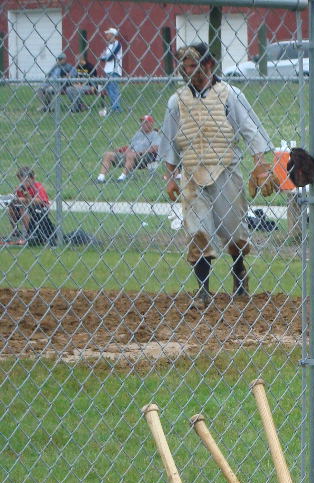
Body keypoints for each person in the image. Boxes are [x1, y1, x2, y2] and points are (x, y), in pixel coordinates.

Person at [158, 42, 274, 307]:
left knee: (234, 231)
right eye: (184, 66)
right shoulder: (177, 101)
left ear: (208, 65)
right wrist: (169, 178)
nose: (185, 71)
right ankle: (202, 291)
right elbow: (170, 142)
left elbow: (250, 129)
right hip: (192, 175)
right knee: (198, 231)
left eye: (191, 65)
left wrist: (260, 163)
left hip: (225, 170)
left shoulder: (229, 94)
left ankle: (239, 275)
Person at [97, 114, 160, 182]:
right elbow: (130, 146)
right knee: (108, 154)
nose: (143, 124)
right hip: (130, 156)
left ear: (151, 124)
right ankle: (100, 178)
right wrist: (122, 151)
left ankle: (122, 178)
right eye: (142, 122)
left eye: (146, 122)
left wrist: (139, 153)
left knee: (131, 155)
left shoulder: (155, 134)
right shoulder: (138, 134)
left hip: (144, 157)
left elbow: (154, 148)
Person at [9, 167, 55, 245]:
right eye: (21, 180)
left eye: (26, 180)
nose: (24, 183)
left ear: (33, 179)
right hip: (27, 207)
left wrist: (23, 198)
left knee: (22, 208)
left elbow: (41, 201)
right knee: (11, 208)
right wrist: (14, 195)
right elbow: (18, 199)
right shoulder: (21, 188)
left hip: (40, 209)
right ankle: (15, 231)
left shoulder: (37, 186)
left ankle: (29, 234)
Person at [98, 28, 124, 115]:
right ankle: (113, 106)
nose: (107, 36)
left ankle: (116, 108)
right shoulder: (109, 45)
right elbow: (102, 56)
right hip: (107, 70)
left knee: (113, 89)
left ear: (113, 35)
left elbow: (109, 57)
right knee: (109, 89)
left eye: (108, 34)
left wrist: (104, 57)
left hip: (114, 70)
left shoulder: (117, 44)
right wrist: (104, 57)